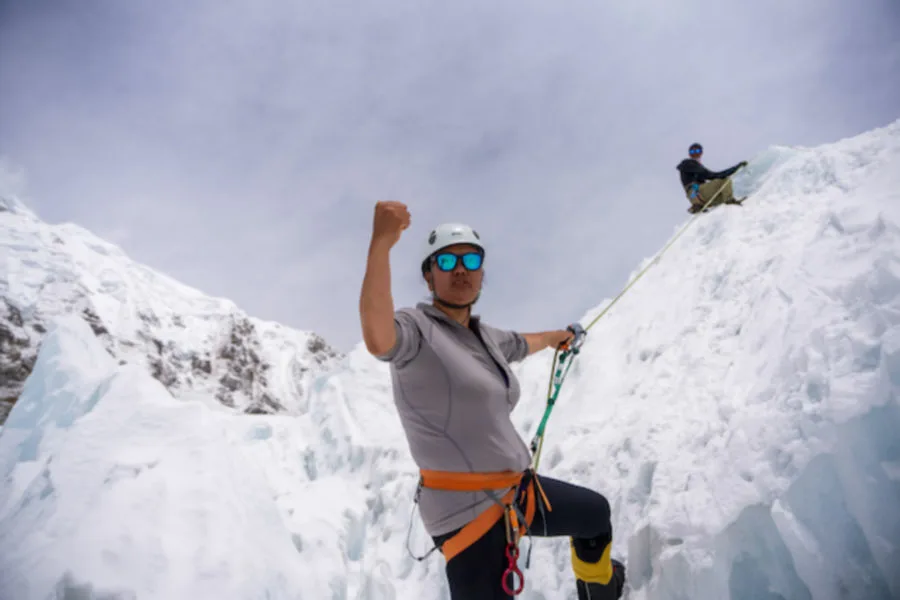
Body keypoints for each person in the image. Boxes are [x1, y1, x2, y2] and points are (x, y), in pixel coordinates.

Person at [358, 200, 626, 600]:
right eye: (446, 263)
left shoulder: (485, 336)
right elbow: (379, 338)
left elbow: (521, 343)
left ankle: (599, 590)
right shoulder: (416, 330)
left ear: (482, 273)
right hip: (465, 513)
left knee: (594, 515)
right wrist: (381, 243)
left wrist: (556, 337)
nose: (461, 269)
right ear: (429, 278)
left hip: (517, 492)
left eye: (471, 260)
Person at [676, 142, 748, 213]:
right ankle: (729, 201)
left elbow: (711, 175)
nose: (695, 153)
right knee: (724, 181)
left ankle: (698, 206)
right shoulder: (688, 163)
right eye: (692, 151)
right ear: (689, 154)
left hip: (696, 197)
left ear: (701, 153)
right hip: (695, 192)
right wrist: (736, 168)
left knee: (723, 194)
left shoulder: (696, 167)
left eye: (697, 151)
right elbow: (713, 176)